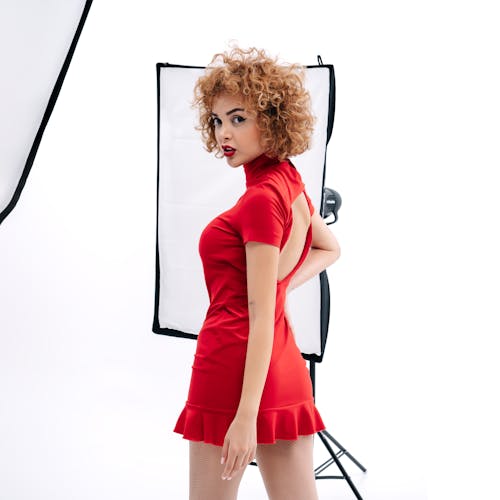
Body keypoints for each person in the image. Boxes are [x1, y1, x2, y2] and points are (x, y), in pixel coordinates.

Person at [174, 47, 341, 500]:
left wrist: (245, 415)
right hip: (281, 364)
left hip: (232, 366)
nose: (223, 132)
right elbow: (329, 248)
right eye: (216, 121)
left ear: (272, 117)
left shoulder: (260, 200)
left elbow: (258, 314)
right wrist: (281, 286)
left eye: (237, 118)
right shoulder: (288, 181)